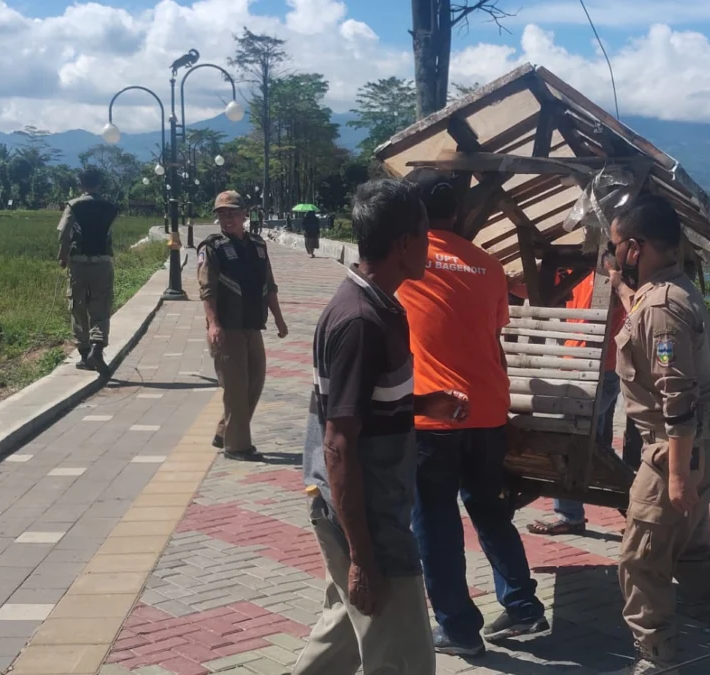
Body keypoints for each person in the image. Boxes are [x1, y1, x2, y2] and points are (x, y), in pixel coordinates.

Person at [295, 179, 469, 675]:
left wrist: (422, 403)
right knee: (406, 660)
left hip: (361, 510)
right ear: (405, 245)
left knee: (344, 636)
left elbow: (363, 407)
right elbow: (338, 443)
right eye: (425, 234)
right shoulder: (360, 321)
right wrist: (363, 558)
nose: (431, 245)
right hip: (367, 520)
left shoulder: (379, 307)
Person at [607, 194, 710, 674]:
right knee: (690, 553)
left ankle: (656, 659)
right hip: (705, 447)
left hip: (675, 454)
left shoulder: (660, 308)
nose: (613, 252)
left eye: (617, 244)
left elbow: (675, 398)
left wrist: (677, 477)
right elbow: (649, 320)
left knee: (641, 561)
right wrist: (623, 290)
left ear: (636, 248)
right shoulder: (671, 290)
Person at [397, 168, 549, 656]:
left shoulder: (408, 262)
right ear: (458, 212)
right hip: (488, 412)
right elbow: (492, 334)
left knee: (436, 523)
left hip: (434, 418)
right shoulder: (490, 266)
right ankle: (523, 607)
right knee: (489, 510)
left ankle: (459, 629)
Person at [528, 272, 642, 536]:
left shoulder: (615, 273)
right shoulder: (573, 270)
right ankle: (578, 514)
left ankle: (639, 506)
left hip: (604, 371)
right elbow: (539, 288)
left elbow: (637, 308)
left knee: (576, 437)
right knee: (592, 445)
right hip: (575, 366)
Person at [197, 190, 289, 461]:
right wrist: (214, 325)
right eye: (222, 213)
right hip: (227, 328)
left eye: (232, 212)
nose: (227, 218)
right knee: (236, 388)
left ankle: (225, 431)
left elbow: (269, 285)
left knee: (255, 383)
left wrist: (279, 319)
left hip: (252, 325)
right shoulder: (212, 248)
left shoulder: (258, 246)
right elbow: (207, 290)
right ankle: (237, 447)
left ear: (244, 214)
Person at [57, 167, 119, 375]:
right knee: (101, 305)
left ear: (80, 184)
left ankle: (84, 354)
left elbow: (64, 233)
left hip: (78, 263)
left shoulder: (73, 206)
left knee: (78, 306)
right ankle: (97, 348)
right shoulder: (110, 207)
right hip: (102, 262)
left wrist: (63, 256)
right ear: (100, 184)